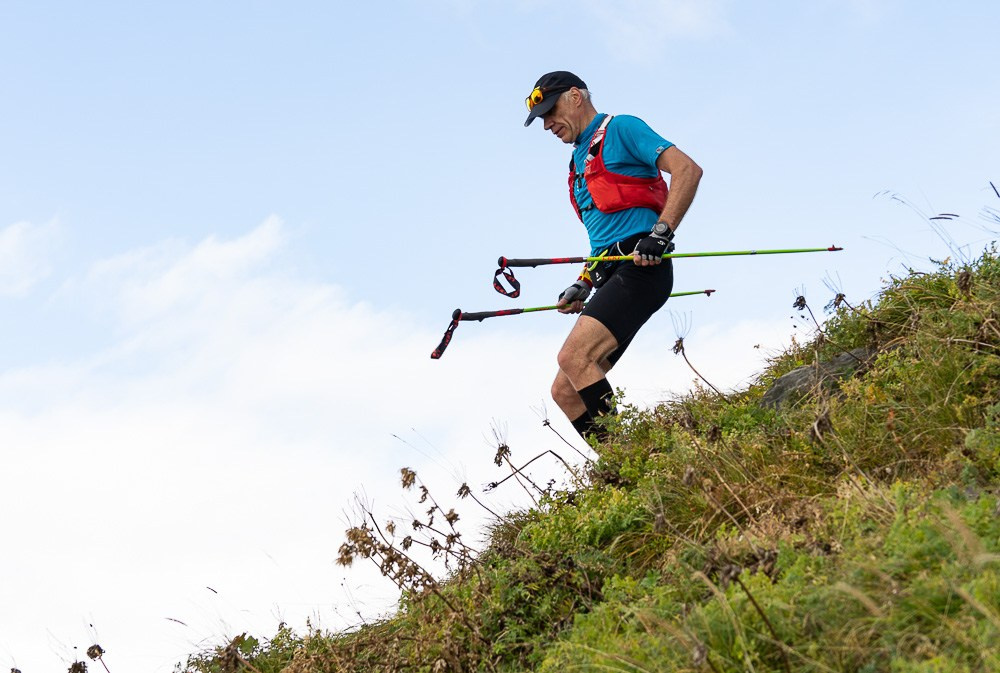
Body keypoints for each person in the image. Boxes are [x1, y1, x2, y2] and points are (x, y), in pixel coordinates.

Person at [524, 71, 703, 442]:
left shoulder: (621, 129)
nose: (547, 125)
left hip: (643, 267)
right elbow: (601, 239)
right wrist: (583, 282)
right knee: (565, 391)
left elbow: (688, 169)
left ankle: (631, 457)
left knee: (574, 358)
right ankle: (621, 475)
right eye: (541, 119)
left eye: (550, 111)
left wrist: (662, 233)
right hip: (610, 273)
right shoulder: (576, 164)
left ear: (575, 96)